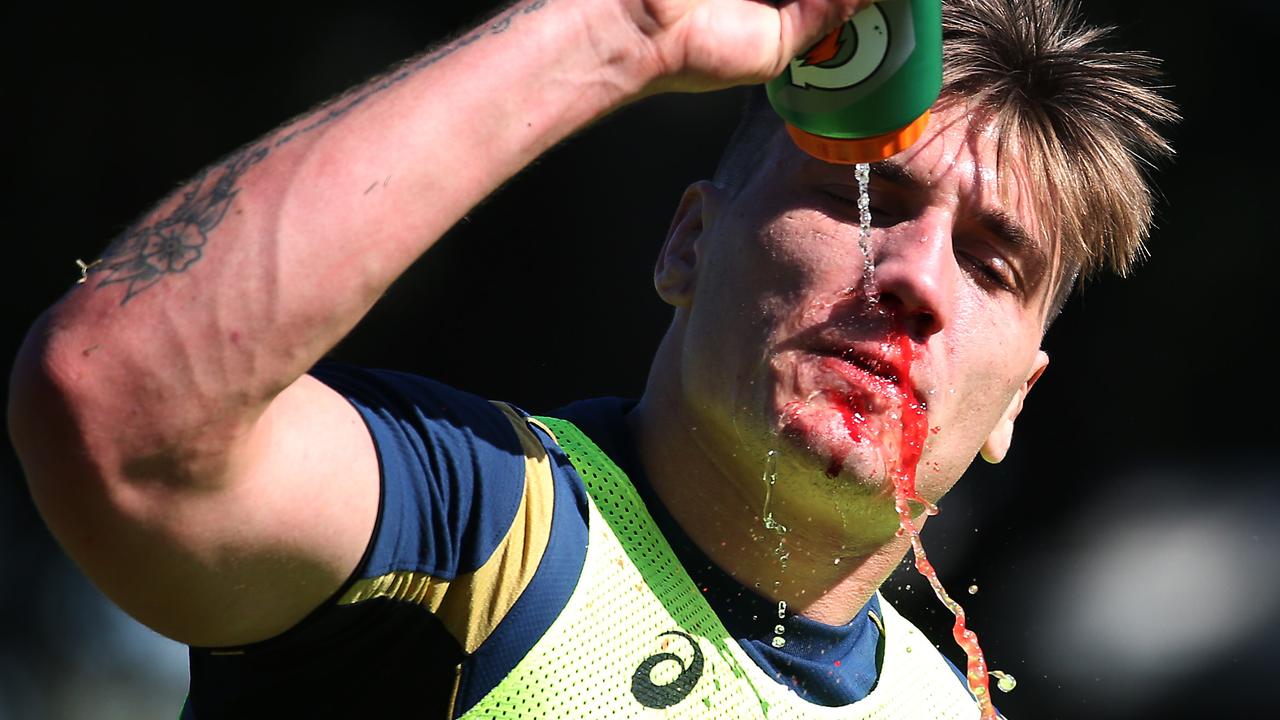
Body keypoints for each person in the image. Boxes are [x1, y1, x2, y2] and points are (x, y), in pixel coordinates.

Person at [8, 0, 1176, 717]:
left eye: (989, 264)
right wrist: (616, 32)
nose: (913, 278)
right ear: (688, 241)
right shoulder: (473, 525)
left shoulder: (945, 708)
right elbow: (120, 407)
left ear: (1016, 401)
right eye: (857, 198)